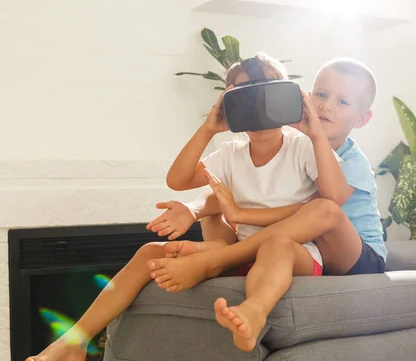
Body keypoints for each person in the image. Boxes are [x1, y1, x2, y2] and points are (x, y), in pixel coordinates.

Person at [24, 52, 343, 361]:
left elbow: (333, 196)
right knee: (150, 252)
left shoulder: (302, 146)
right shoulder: (231, 154)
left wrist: (315, 133)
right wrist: (209, 129)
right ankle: (75, 341)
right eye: (247, 99)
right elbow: (178, 179)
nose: (260, 108)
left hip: (292, 253)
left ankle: (254, 311)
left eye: (270, 96)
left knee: (276, 244)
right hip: (243, 250)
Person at [146, 57, 387, 352]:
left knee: (323, 209)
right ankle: (224, 258)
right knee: (227, 200)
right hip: (305, 247)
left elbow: (326, 204)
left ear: (360, 119)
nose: (326, 106)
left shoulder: (351, 161)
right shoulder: (288, 144)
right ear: (306, 97)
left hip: (354, 254)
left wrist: (241, 213)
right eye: (321, 95)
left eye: (343, 101)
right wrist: (194, 207)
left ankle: (222, 258)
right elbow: (188, 181)